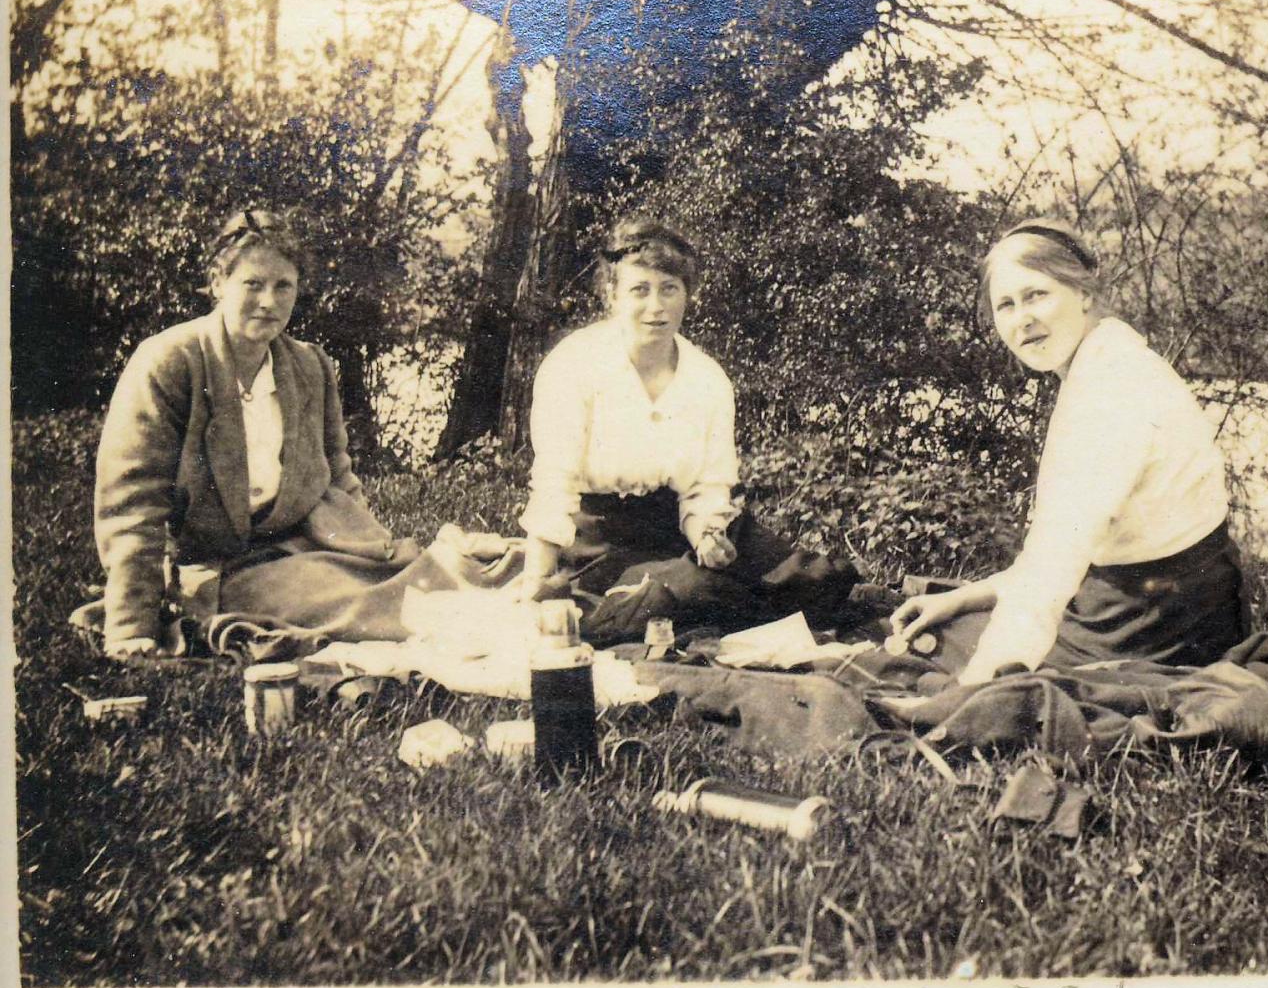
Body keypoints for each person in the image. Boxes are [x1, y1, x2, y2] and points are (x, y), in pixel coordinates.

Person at [889, 217, 1250, 686]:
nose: (1023, 320)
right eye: (1006, 305)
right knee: (948, 618)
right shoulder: (1109, 357)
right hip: (1192, 608)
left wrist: (976, 686)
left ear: (1082, 293)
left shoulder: (1110, 390)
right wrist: (965, 596)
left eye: (1037, 295)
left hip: (1155, 630)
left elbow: (1056, 562)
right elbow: (1070, 552)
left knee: (930, 650)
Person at [93, 209, 466, 657]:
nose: (268, 301)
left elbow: (338, 476)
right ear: (218, 284)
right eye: (252, 284)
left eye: (283, 286)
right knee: (373, 607)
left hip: (302, 547)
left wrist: (368, 551)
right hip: (219, 567)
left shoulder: (309, 366)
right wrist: (131, 628)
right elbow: (134, 503)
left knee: (435, 574)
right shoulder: (169, 363)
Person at [518, 214, 858, 639]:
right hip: (601, 544)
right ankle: (667, 602)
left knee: (822, 582)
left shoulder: (707, 379)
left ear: (687, 295)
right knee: (693, 597)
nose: (656, 307)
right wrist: (538, 580)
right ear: (613, 295)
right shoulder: (575, 364)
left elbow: (707, 486)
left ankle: (732, 599)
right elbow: (554, 482)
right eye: (639, 290)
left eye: (669, 289)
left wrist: (707, 536)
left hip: (675, 529)